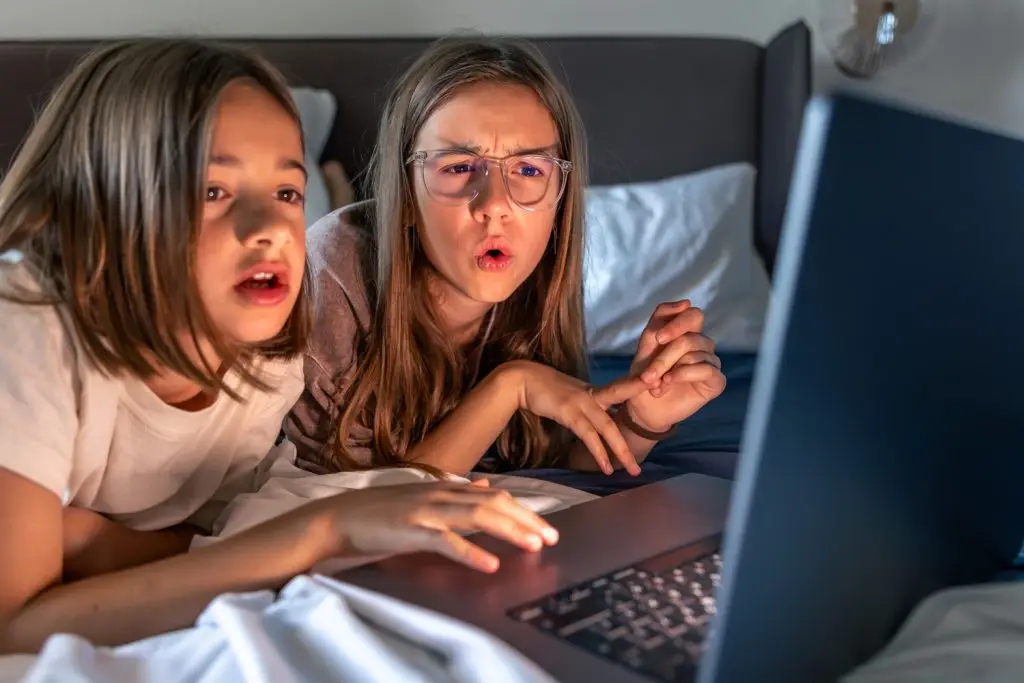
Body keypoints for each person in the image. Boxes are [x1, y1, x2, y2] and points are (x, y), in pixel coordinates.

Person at [0, 38, 558, 655]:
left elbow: (207, 541)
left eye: (287, 194)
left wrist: (89, 542)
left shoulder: (264, 356)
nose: (267, 229)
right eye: (214, 191)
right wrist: (318, 532)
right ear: (100, 208)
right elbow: (12, 628)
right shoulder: (26, 324)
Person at [285, 36, 727, 479]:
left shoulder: (536, 286)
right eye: (458, 167)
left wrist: (642, 418)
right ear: (404, 196)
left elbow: (554, 467)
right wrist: (509, 386)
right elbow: (361, 510)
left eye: (529, 170)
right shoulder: (330, 280)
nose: (495, 205)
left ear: (559, 202)